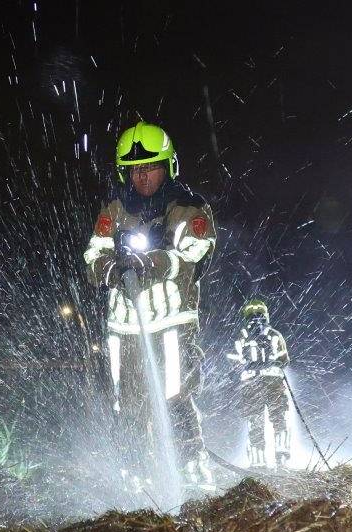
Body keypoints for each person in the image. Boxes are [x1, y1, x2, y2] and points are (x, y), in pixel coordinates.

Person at [83, 120, 217, 498]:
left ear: (168, 166)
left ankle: (192, 474)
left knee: (174, 394)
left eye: (151, 166)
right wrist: (108, 269)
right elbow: (93, 254)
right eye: (136, 169)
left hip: (171, 322)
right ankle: (134, 478)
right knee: (125, 402)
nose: (143, 177)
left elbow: (194, 256)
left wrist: (152, 263)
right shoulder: (114, 208)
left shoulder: (189, 208)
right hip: (123, 325)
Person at [228, 299, 290, 468]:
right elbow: (284, 359)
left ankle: (260, 462)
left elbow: (233, 361)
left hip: (252, 384)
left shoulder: (241, 336)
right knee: (278, 419)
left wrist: (247, 367)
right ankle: (280, 457)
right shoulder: (275, 334)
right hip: (272, 382)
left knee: (257, 422)